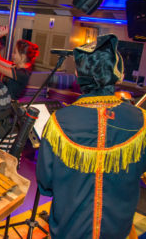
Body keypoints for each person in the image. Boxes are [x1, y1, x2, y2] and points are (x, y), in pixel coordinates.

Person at [36, 34, 146, 239]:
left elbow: (45, 183)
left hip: (69, 231)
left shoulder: (59, 122)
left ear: (79, 74)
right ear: (117, 72)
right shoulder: (141, 120)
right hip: (118, 231)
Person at [0, 26, 39, 100]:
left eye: (15, 53)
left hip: (8, 107)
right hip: (2, 101)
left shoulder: (22, 73)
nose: (12, 55)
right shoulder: (16, 66)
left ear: (23, 57)